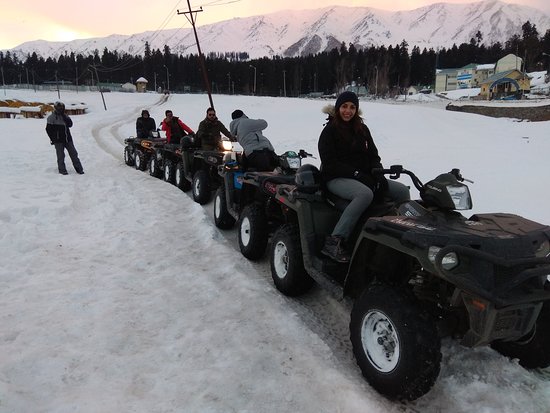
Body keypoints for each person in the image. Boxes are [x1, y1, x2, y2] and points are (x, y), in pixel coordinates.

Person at [318, 91, 410, 263]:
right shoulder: (329, 131)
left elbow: (374, 155)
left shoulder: (362, 129)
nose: (348, 111)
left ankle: (399, 232)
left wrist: (378, 173)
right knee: (364, 194)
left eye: (352, 107)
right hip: (335, 178)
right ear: (338, 108)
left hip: (363, 176)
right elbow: (330, 163)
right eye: (344, 106)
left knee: (402, 191)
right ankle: (335, 241)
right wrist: (357, 174)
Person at [45, 101, 84, 175]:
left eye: (62, 108)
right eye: (59, 108)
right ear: (56, 108)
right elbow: (48, 130)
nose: (61, 109)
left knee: (74, 154)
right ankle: (62, 170)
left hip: (68, 139)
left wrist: (64, 117)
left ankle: (79, 169)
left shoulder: (65, 116)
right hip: (58, 141)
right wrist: (53, 139)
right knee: (60, 156)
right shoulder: (51, 118)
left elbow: (70, 124)